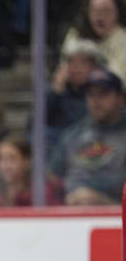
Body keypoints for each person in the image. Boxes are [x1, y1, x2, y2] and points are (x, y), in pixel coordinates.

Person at [50, 67, 126, 205]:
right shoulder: (72, 134)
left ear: (120, 98)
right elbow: (54, 180)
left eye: (103, 94)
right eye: (91, 95)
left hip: (116, 216)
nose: (96, 101)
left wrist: (104, 202)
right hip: (72, 214)